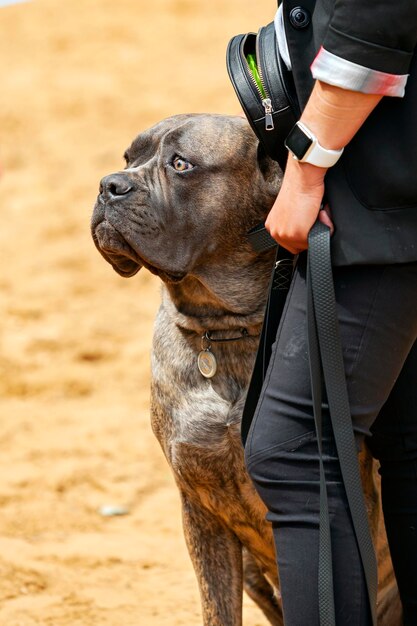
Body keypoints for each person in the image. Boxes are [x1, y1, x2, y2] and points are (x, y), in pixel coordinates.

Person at [243, 1, 417, 625]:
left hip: (382, 195)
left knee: (296, 450)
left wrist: (308, 161)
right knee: (407, 436)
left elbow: (378, 13)